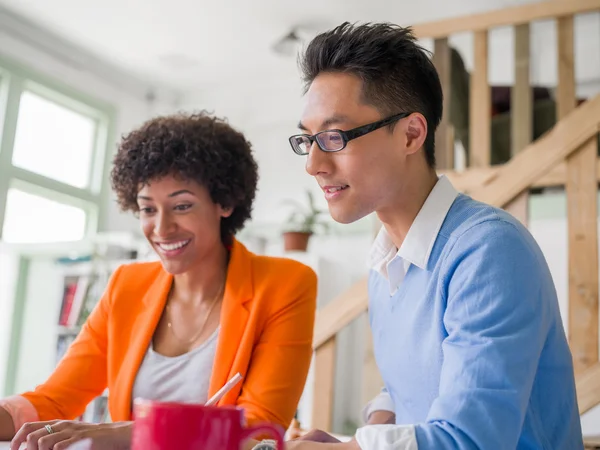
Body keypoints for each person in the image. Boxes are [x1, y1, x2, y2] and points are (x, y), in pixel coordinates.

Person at [277, 21, 583, 450]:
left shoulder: (488, 251)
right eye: (308, 139)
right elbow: (415, 383)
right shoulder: (388, 261)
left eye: (333, 137)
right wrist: (371, 429)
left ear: (411, 134)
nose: (313, 164)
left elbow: (473, 440)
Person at [1, 112, 318, 450]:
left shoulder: (285, 283)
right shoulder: (127, 284)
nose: (162, 229)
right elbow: (55, 398)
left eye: (181, 206)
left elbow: (260, 430)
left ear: (224, 202)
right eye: (148, 209)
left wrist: (129, 433)